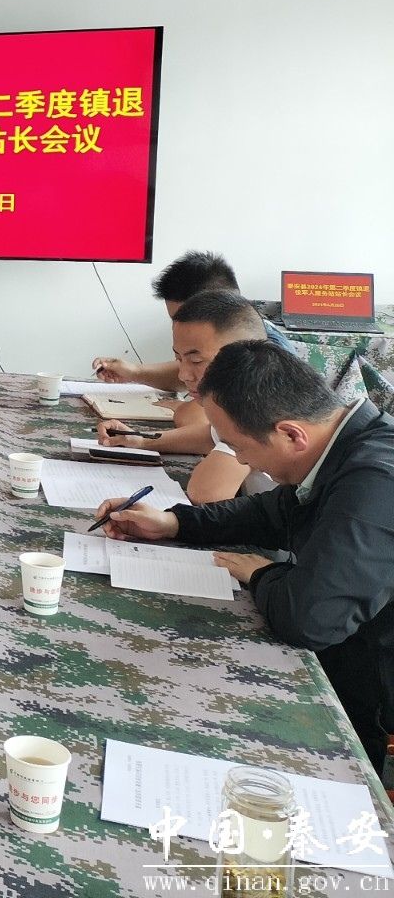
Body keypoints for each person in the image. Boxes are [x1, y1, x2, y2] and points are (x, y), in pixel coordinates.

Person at [94, 341, 394, 771]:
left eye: (238, 445)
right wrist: (175, 523)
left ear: (291, 434)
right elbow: (271, 512)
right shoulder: (344, 444)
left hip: (371, 679)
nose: (237, 458)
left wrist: (263, 574)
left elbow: (310, 619)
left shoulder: (376, 480)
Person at [99, 289, 272, 503]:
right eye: (179, 359)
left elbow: (206, 493)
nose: (183, 375)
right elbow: (209, 436)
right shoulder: (247, 397)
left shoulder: (262, 411)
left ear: (245, 358)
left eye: (197, 361)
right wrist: (141, 440)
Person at [92, 250, 292, 389]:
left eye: (195, 359)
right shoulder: (232, 345)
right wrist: (134, 372)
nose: (184, 374)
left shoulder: (265, 360)